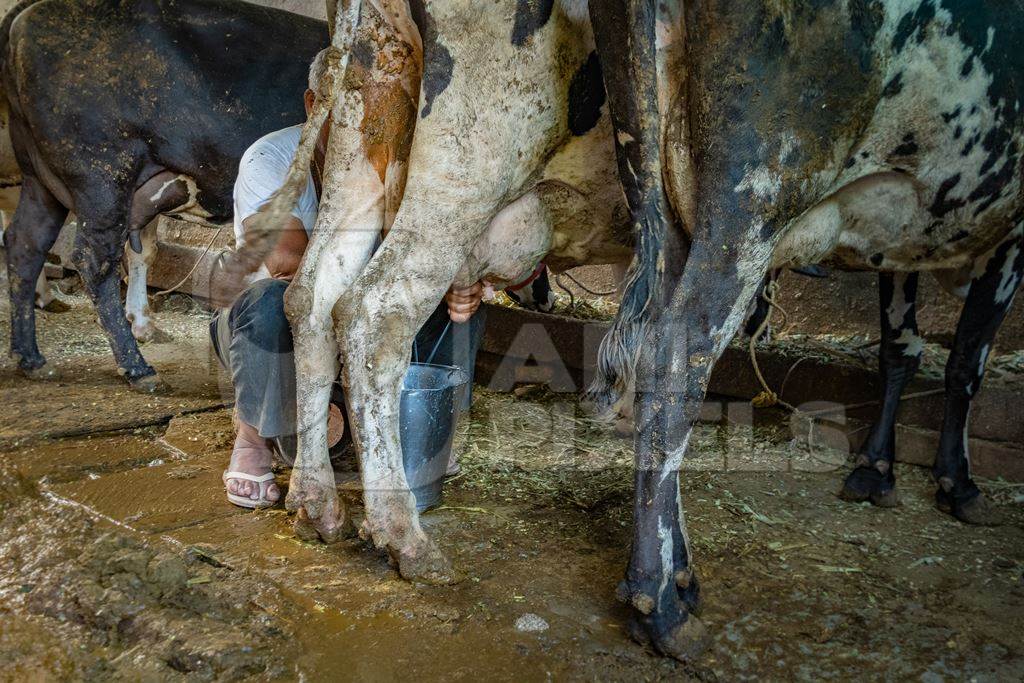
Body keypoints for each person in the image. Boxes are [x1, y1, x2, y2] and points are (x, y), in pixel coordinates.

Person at [213, 49, 487, 508]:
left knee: (460, 310)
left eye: (383, 106)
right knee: (269, 301)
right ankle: (252, 441)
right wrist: (398, 283)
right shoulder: (271, 159)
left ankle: (431, 432)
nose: (366, 119)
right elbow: (288, 262)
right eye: (351, 104)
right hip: (283, 332)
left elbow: (434, 245)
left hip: (371, 318)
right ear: (312, 105)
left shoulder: (402, 162)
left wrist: (460, 283)